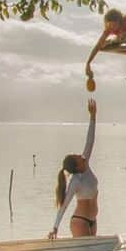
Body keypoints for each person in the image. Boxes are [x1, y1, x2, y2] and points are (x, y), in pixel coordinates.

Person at [50, 98, 99, 240]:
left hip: (93, 220)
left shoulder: (86, 163)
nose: (80, 155)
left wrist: (93, 116)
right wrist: (55, 228)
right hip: (80, 221)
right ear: (76, 166)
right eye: (77, 156)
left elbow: (90, 140)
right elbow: (64, 206)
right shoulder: (75, 182)